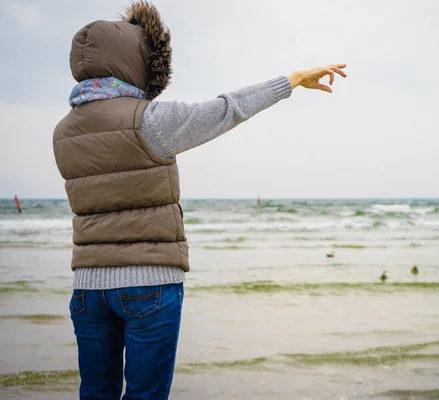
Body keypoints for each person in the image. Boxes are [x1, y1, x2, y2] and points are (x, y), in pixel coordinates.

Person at [52, 2, 347, 399]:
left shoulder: (63, 132)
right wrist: (291, 80)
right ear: (136, 60)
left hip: (87, 290)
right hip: (148, 284)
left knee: (95, 393)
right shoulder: (149, 120)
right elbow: (228, 109)